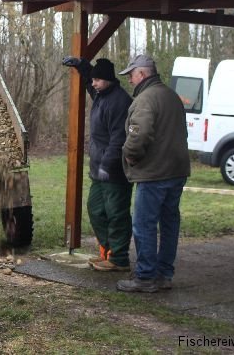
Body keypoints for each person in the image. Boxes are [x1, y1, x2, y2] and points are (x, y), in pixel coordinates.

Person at [115, 54, 190, 293]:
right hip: (176, 170)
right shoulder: (171, 96)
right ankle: (164, 274)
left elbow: (139, 133)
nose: (129, 80)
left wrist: (130, 154)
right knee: (169, 223)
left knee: (144, 224)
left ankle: (145, 276)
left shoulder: (145, 99)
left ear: (142, 73)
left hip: (154, 172)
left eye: (131, 75)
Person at [62, 56, 133, 272]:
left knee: (116, 214)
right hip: (99, 171)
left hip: (115, 172)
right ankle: (108, 252)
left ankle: (119, 258)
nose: (93, 84)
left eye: (97, 80)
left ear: (108, 79)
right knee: (95, 209)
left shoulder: (119, 102)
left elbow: (118, 139)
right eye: (93, 80)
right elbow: (88, 79)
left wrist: (106, 165)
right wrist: (80, 65)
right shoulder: (101, 94)